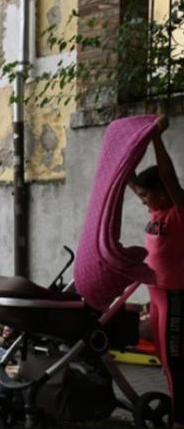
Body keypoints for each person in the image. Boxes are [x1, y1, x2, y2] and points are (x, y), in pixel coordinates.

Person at [126, 114, 184, 427]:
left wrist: (156, 138)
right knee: (164, 357)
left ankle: (179, 419)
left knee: (175, 360)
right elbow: (131, 180)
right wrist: (125, 146)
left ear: (161, 192)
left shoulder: (178, 209)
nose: (142, 199)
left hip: (176, 294)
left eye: (147, 195)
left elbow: (170, 178)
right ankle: (175, 407)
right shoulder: (157, 208)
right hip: (157, 293)